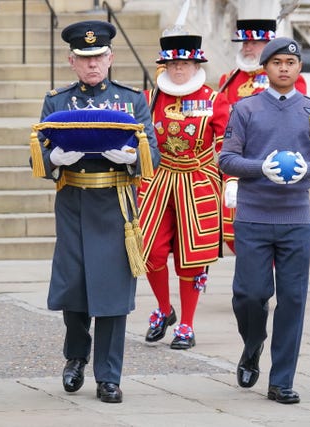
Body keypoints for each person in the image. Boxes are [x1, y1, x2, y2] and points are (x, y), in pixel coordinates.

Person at [31, 20, 159, 403]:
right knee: (73, 288)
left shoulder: (132, 99)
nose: (92, 65)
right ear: (72, 61)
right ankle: (75, 357)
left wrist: (133, 156)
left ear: (111, 58)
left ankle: (108, 376)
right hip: (73, 202)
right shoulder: (57, 100)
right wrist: (53, 157)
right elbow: (37, 150)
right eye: (84, 58)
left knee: (112, 293)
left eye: (99, 57)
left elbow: (152, 149)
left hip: (116, 203)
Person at [219, 37, 310, 404]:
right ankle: (253, 341)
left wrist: (307, 168)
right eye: (277, 62)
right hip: (254, 216)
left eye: (291, 61)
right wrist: (263, 168)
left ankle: (281, 380)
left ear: (299, 67)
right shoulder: (246, 109)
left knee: (292, 299)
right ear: (265, 68)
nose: (284, 68)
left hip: (295, 219)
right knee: (249, 295)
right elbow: (226, 159)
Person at [138, 33, 229, 349]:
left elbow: (227, 147)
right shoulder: (149, 99)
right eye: (173, 63)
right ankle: (164, 309)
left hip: (197, 182)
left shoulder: (215, 100)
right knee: (149, 250)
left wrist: (230, 180)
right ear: (164, 66)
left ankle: (187, 325)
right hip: (159, 181)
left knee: (192, 258)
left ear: (196, 64)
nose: (178, 69)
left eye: (185, 63)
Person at [219, 19, 308, 254]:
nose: (248, 47)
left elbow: (296, 116)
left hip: (275, 158)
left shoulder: (286, 77)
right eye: (245, 42)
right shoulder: (229, 78)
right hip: (239, 160)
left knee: (272, 231)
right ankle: (257, 275)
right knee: (231, 231)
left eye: (255, 42)